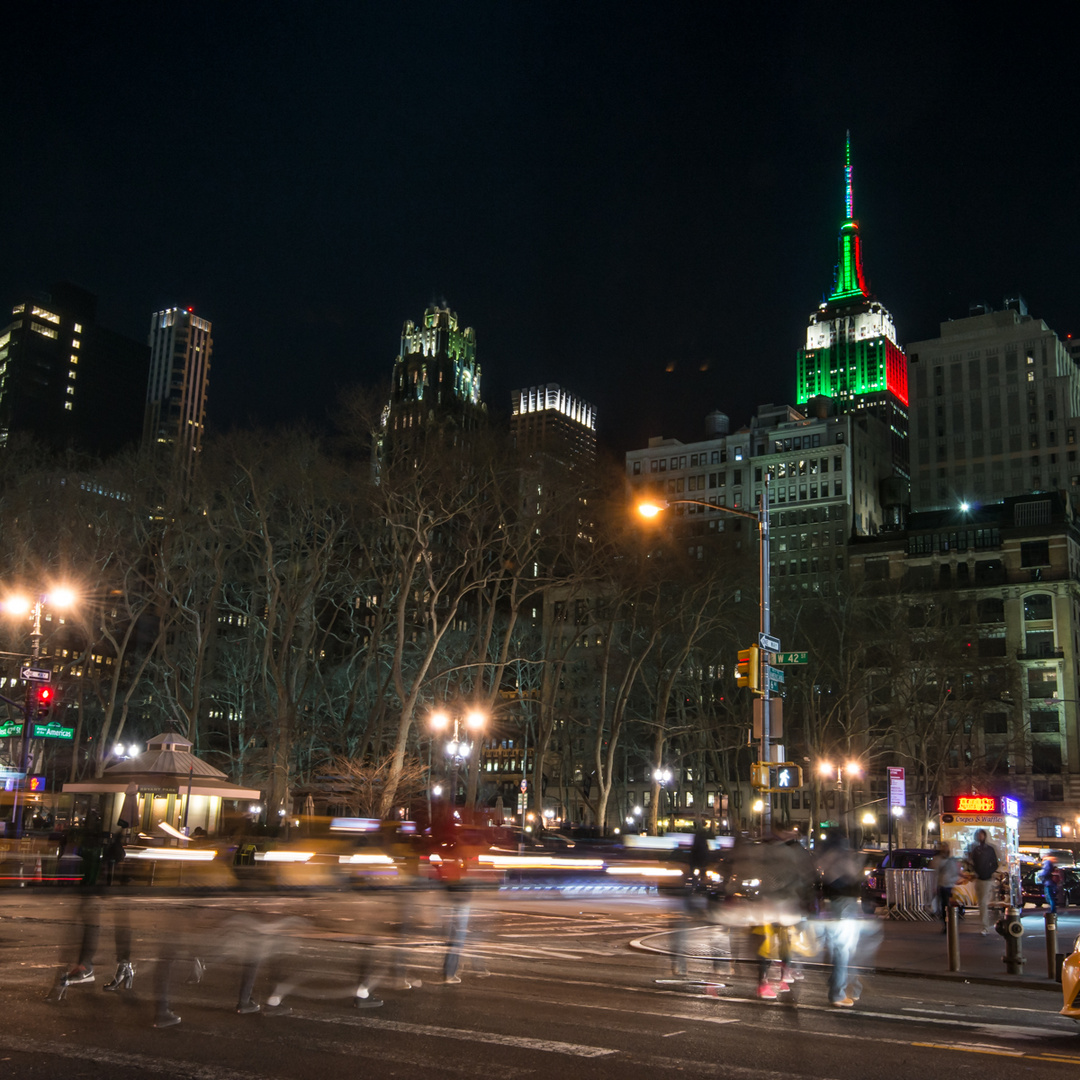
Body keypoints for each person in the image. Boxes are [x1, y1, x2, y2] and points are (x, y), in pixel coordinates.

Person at [967, 829, 999, 934]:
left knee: (982, 902)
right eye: (979, 835)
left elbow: (994, 864)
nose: (980, 837)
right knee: (981, 902)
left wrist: (986, 872)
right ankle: (985, 925)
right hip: (981, 877)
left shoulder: (984, 849)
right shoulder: (978, 849)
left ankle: (985, 926)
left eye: (981, 835)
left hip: (985, 878)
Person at [932, 841, 962, 933]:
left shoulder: (951, 860)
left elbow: (955, 872)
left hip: (950, 885)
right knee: (945, 906)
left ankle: (950, 924)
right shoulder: (939, 860)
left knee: (949, 905)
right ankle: (947, 924)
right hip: (943, 885)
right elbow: (935, 873)